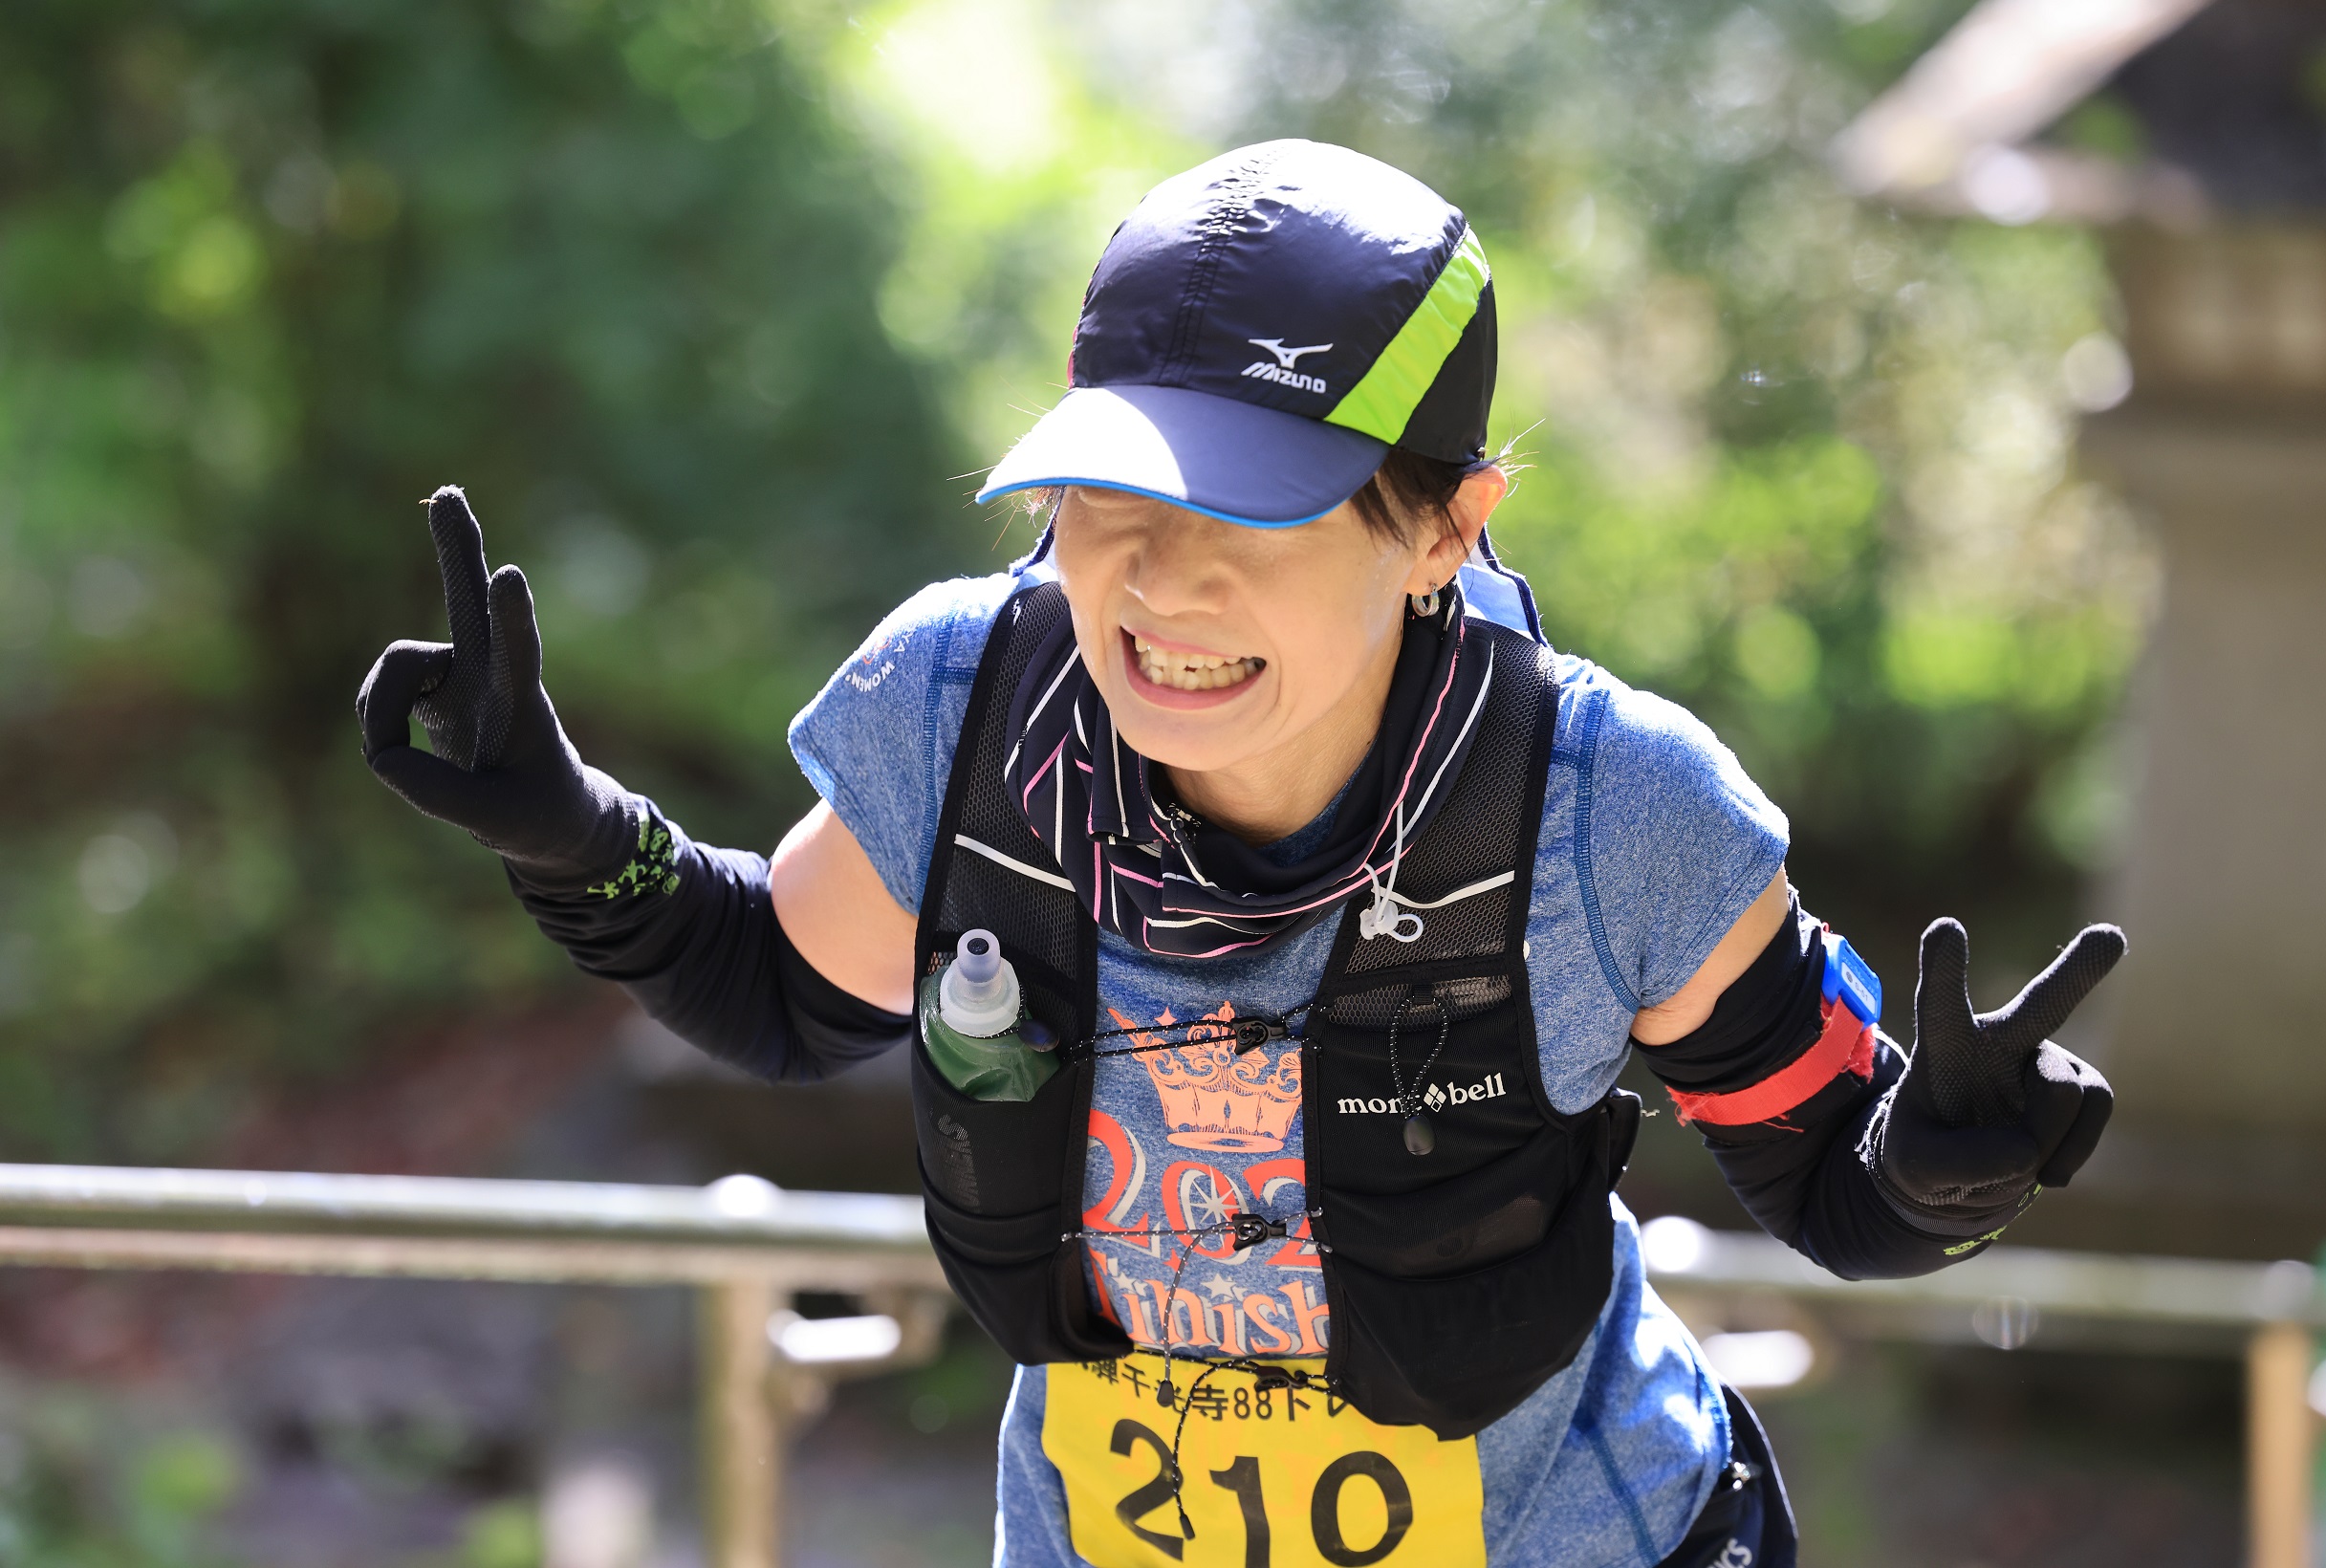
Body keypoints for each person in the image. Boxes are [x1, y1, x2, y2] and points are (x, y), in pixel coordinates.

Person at [358, 140, 2123, 1568]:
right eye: (1107, 500)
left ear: (1443, 524)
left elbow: (1837, 1186)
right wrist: (568, 830)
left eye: (1248, 513)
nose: (1156, 583)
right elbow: (783, 994)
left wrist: (1945, 1162)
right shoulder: (966, 705)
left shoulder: (1613, 809)